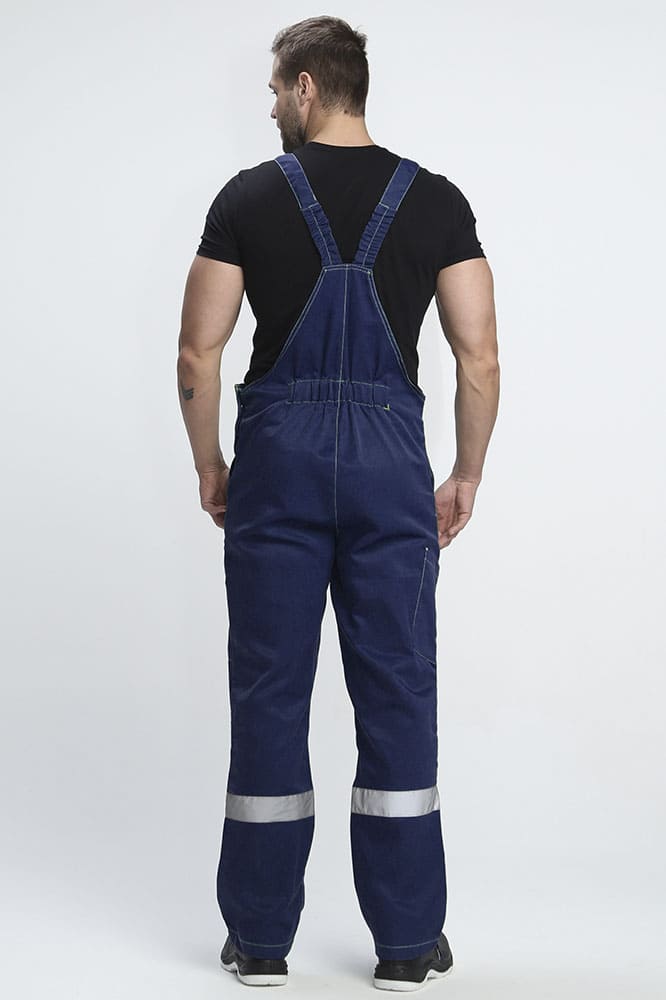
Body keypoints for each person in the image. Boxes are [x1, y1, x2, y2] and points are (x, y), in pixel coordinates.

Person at [177, 15, 499, 992]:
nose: (272, 105)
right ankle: (406, 944)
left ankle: (259, 940)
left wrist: (211, 463)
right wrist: (466, 472)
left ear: (309, 87)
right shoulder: (435, 201)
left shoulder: (247, 198)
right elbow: (479, 356)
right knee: (397, 691)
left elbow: (197, 351)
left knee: (269, 691)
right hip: (388, 469)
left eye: (278, 89)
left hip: (276, 464)